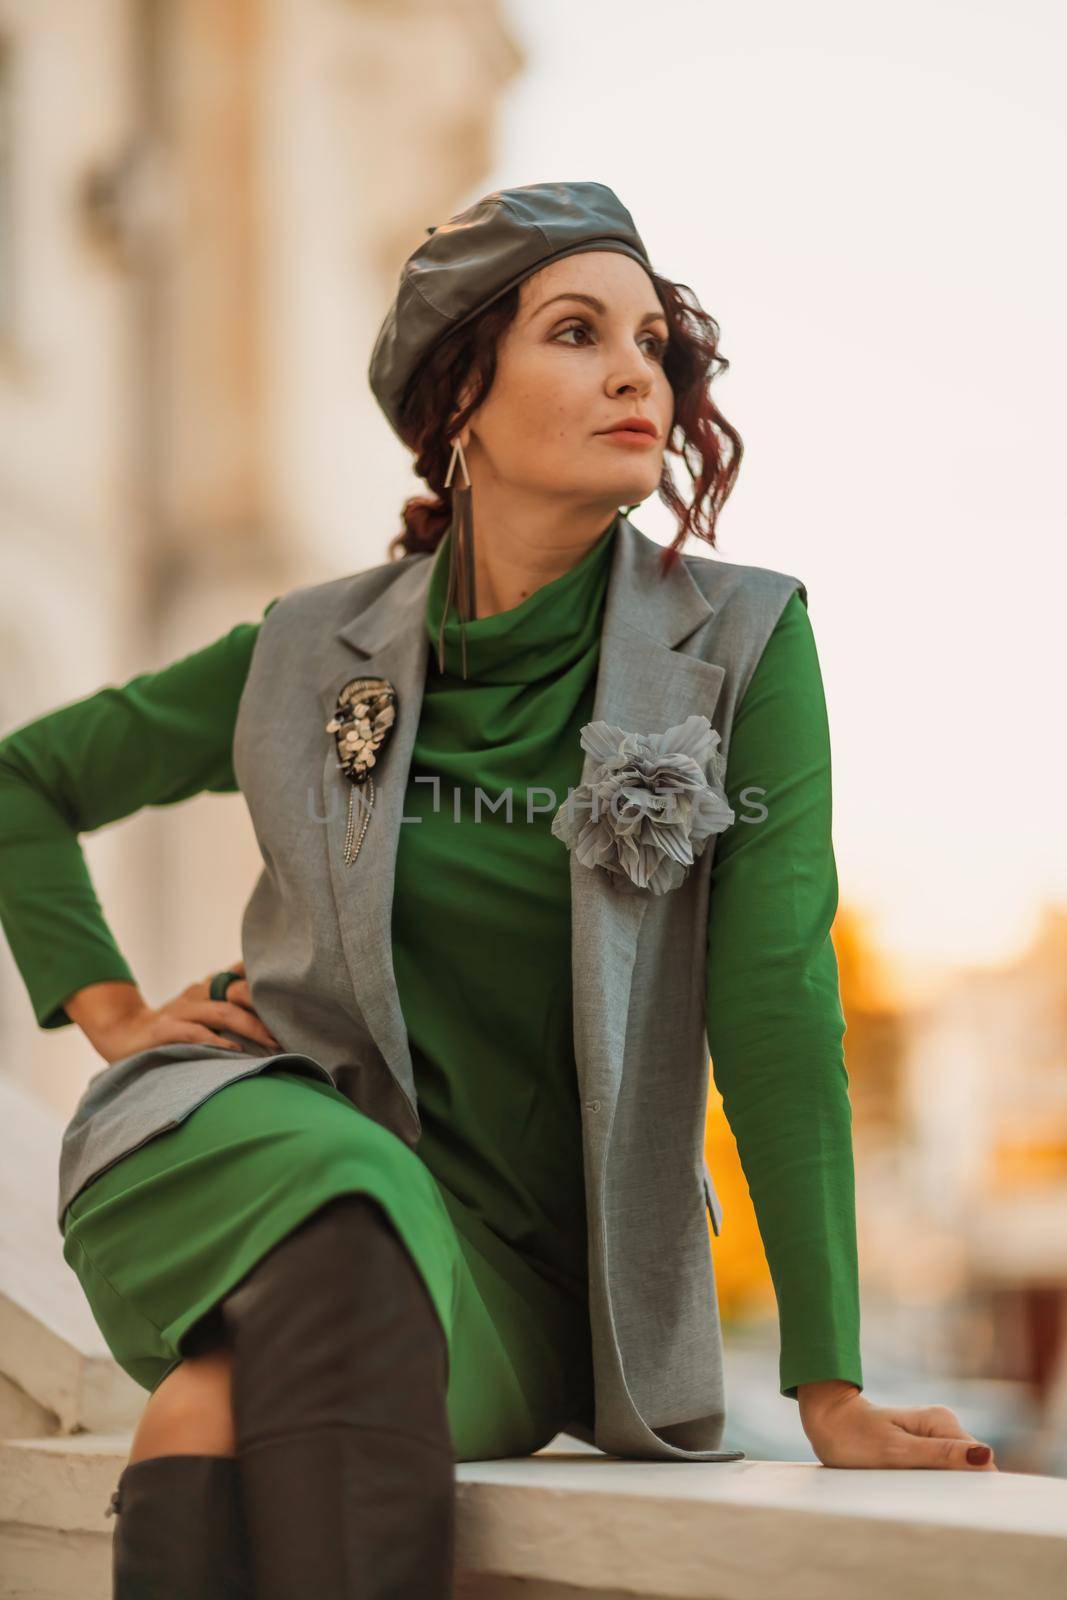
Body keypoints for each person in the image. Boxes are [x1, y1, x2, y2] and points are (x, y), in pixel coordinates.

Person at [0, 180, 996, 1600]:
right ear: (458, 394)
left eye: (652, 341)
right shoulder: (306, 647)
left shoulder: (743, 645)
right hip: (248, 1154)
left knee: (207, 1409)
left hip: (507, 1284)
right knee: (341, 1176)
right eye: (577, 333)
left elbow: (777, 1006)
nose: (633, 371)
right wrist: (103, 1008)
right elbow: (21, 783)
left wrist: (829, 1379)